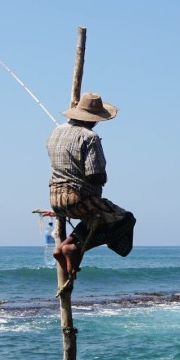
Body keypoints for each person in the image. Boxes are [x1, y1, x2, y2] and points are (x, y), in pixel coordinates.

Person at [46, 92, 136, 281]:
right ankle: (75, 247)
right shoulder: (89, 137)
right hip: (80, 199)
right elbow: (95, 175)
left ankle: (64, 247)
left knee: (96, 219)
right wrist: (103, 176)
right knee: (126, 219)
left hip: (56, 199)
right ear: (94, 120)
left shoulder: (55, 132)